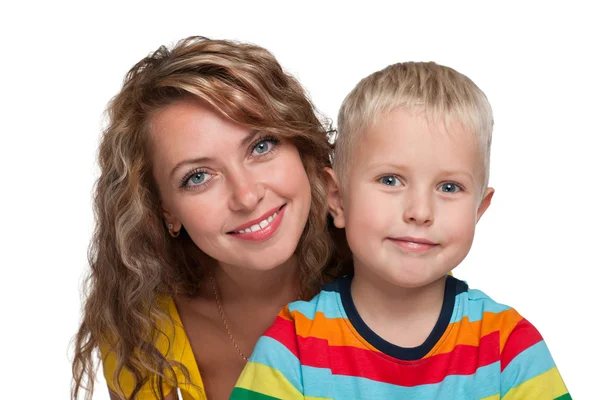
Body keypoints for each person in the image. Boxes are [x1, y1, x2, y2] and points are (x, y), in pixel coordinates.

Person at [231, 62, 570, 399]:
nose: (420, 212)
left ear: (479, 210)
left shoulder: (509, 347)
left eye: (449, 187)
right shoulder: (292, 347)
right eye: (390, 180)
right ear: (338, 199)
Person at [71, 36, 339, 400]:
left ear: (301, 147)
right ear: (164, 209)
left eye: (261, 146)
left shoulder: (391, 278)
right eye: (197, 177)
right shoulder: (141, 330)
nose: (246, 196)